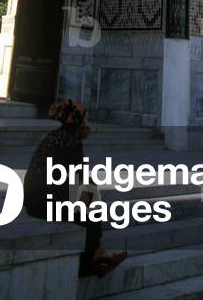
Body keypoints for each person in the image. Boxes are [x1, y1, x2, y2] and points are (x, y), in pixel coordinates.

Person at [23, 98, 128, 277]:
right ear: (79, 121)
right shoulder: (69, 141)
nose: (88, 123)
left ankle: (96, 253)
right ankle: (90, 259)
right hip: (42, 202)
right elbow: (76, 179)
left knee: (89, 200)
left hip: (40, 197)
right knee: (89, 211)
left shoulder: (57, 136)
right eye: (86, 119)